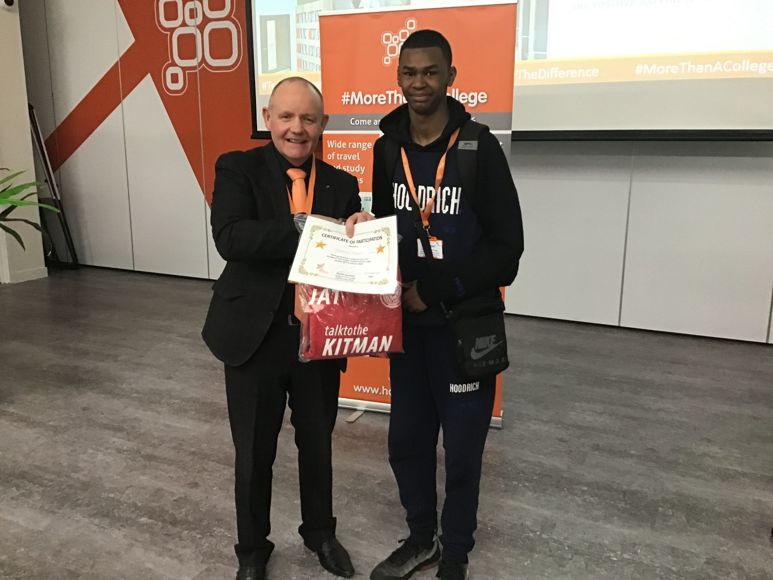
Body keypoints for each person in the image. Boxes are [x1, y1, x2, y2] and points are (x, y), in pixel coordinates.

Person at [346, 30, 524, 580]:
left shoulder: (478, 147)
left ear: (451, 76)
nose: (419, 82)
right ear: (397, 77)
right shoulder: (386, 149)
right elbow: (390, 233)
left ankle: (457, 552)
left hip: (464, 327)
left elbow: (507, 252)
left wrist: (437, 288)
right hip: (408, 328)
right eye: (409, 72)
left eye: (430, 71)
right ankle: (421, 538)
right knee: (407, 441)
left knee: (464, 451)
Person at [202, 77, 367, 580]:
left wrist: (363, 234)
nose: (297, 129)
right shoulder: (238, 168)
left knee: (318, 446)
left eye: (309, 119)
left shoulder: (341, 184)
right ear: (268, 118)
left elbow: (348, 260)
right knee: (254, 453)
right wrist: (307, 228)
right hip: (255, 337)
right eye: (287, 117)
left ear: (323, 124)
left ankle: (320, 533)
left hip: (319, 337)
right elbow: (232, 238)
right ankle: (252, 551)